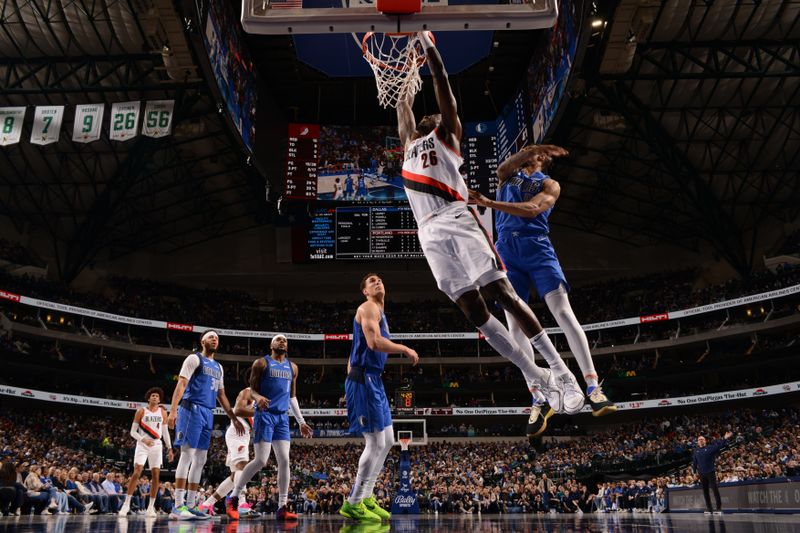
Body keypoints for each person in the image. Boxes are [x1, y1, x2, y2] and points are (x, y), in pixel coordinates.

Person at [395, 31, 564, 437]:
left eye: (429, 117)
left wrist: (428, 50)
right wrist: (402, 75)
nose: (424, 119)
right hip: (428, 233)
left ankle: (560, 372)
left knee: (501, 294)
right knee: (473, 311)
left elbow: (444, 91)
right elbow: (402, 109)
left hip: (457, 218)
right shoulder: (409, 147)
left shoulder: (448, 135)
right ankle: (536, 376)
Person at [468, 144, 615, 416]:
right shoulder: (506, 175)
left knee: (562, 311)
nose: (523, 155)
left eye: (530, 153)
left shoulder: (550, 184)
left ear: (542, 159)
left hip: (537, 248)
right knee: (514, 322)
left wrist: (488, 203)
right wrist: (530, 148)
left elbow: (532, 210)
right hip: (507, 251)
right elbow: (502, 167)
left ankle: (593, 386)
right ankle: (537, 395)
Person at [339, 273, 419, 522]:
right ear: (365, 291)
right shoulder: (368, 307)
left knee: (387, 440)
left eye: (380, 279)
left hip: (372, 379)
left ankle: (367, 496)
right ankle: (353, 502)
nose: (378, 282)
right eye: (371, 281)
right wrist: (404, 348)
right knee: (374, 443)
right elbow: (373, 343)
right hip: (364, 380)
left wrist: (352, 373)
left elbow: (355, 351)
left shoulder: (379, 312)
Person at [227, 334, 313, 521]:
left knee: (285, 461)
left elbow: (292, 397)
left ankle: (282, 507)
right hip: (264, 416)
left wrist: (301, 422)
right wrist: (257, 398)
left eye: (285, 340)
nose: (282, 341)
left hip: (282, 418)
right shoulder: (261, 364)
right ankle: (233, 498)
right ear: (271, 344)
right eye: (278, 339)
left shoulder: (293, 367)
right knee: (261, 460)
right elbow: (252, 390)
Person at [167, 329, 244, 520]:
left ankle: (192, 505)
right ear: (202, 341)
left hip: (207, 412)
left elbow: (221, 395)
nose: (214, 340)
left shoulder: (218, 367)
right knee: (187, 455)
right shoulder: (194, 359)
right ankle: (178, 506)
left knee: (201, 459)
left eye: (217, 338)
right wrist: (173, 410)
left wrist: (233, 416)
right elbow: (181, 385)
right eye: (211, 337)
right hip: (191, 408)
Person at [198, 387, 255, 516]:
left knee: (234, 477)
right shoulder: (248, 392)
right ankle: (241, 503)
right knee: (243, 467)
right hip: (238, 431)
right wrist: (261, 411)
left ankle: (207, 504)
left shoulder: (262, 395)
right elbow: (239, 410)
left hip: (244, 434)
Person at [119, 387, 174, 517]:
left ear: (159, 399)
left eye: (157, 396)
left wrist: (170, 448)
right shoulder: (141, 411)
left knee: (156, 476)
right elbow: (132, 432)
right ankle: (126, 504)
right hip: (142, 444)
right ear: (148, 398)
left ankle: (150, 507)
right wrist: (144, 440)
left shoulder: (163, 413)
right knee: (137, 472)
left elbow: (165, 432)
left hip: (157, 445)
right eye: (153, 395)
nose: (155, 397)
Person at [693, 431, 733, 515]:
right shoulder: (696, 451)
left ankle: (718, 508)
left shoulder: (710, 448)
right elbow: (695, 462)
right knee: (705, 491)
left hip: (710, 472)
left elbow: (719, 445)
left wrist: (725, 438)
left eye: (702, 439)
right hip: (701, 474)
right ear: (697, 442)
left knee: (715, 490)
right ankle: (709, 508)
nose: (700, 440)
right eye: (699, 439)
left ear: (705, 441)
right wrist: (694, 472)